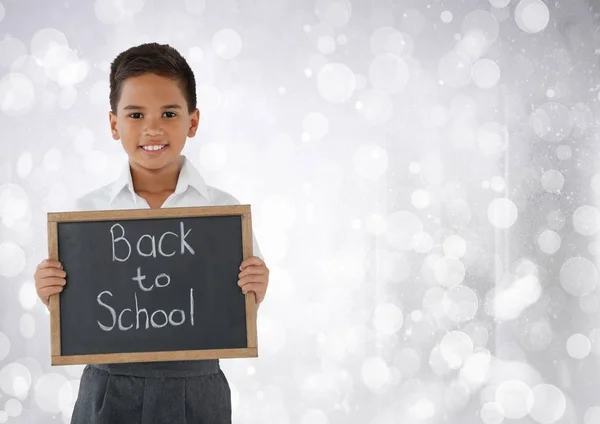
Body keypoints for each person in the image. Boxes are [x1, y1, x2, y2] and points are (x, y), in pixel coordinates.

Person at [33, 42, 270, 424]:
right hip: (108, 387)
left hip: (197, 386)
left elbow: (237, 304)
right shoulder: (85, 215)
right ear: (114, 124)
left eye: (169, 113)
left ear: (192, 122)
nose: (153, 127)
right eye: (136, 114)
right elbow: (77, 309)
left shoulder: (222, 212)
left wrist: (257, 285)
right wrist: (51, 291)